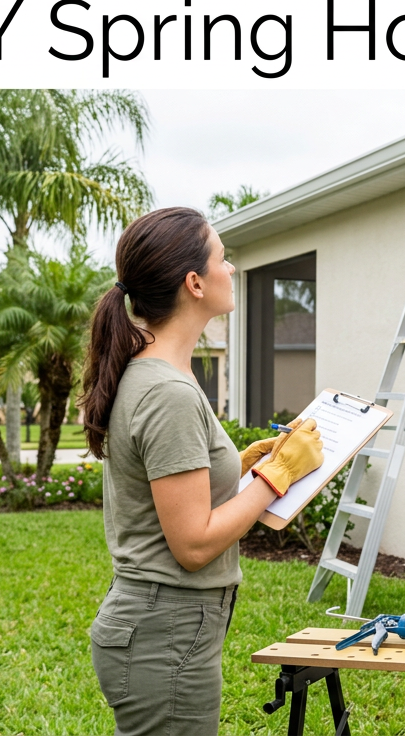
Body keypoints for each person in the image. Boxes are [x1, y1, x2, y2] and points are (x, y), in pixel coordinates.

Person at [78, 207, 326, 736]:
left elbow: (167, 487)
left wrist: (243, 463)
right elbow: (192, 544)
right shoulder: (167, 391)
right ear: (194, 282)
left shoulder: (157, 373)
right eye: (222, 258)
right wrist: (278, 475)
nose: (231, 269)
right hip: (163, 632)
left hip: (159, 627)